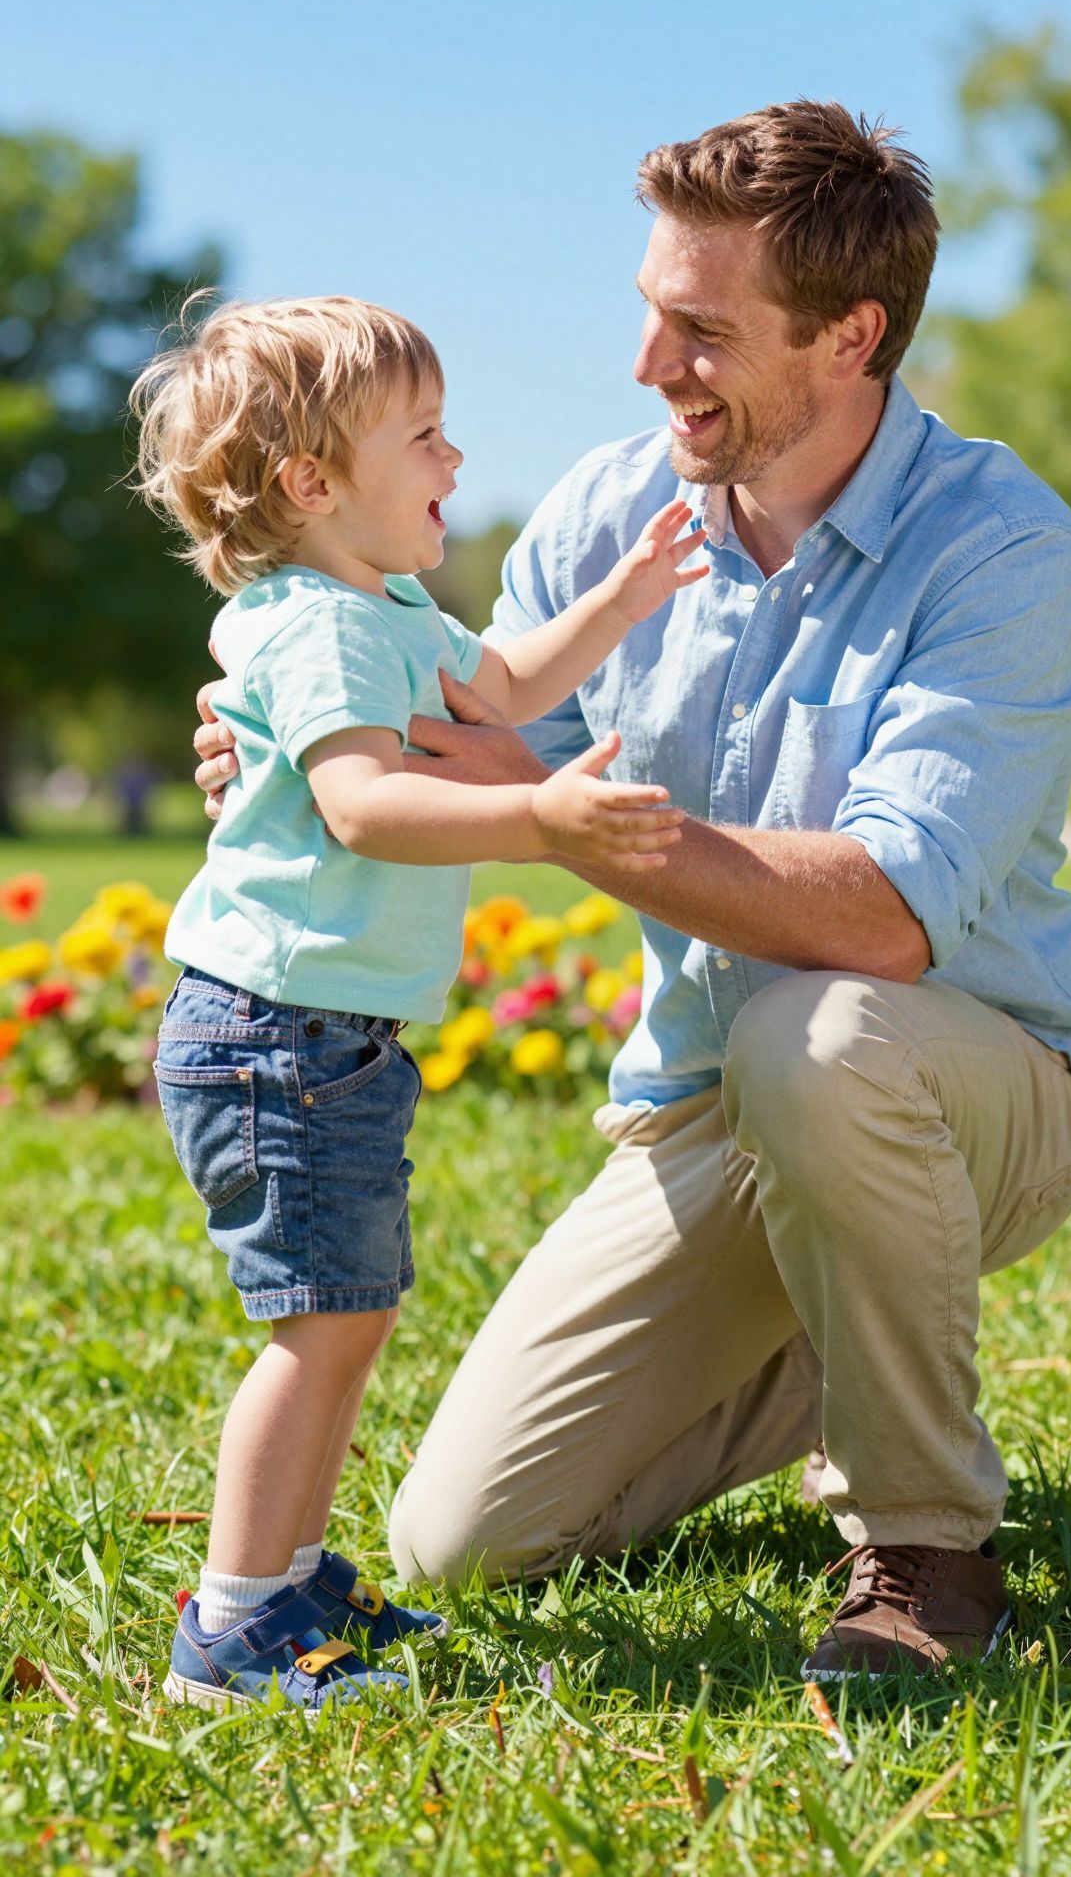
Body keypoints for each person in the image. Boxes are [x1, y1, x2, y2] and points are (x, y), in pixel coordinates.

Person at [194, 104, 1071, 1679]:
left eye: (701, 331)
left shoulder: (998, 547)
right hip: (708, 1100)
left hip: (970, 1088)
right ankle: (855, 1335)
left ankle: (924, 1547)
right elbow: (470, 750)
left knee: (823, 1040)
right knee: (461, 1541)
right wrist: (300, 745)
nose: (649, 367)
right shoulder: (610, 510)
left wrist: (573, 825)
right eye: (649, 312)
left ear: (853, 336)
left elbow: (890, 916)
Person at [133, 294, 706, 1710]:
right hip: (275, 1034)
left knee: (346, 1315)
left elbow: (503, 681)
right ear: (313, 486)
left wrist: (620, 603)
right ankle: (235, 1624)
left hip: (317, 1037)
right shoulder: (319, 630)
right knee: (318, 1328)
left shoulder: (381, 605)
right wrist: (542, 817)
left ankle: (291, 1575)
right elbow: (366, 805)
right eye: (428, 437)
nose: (456, 459)